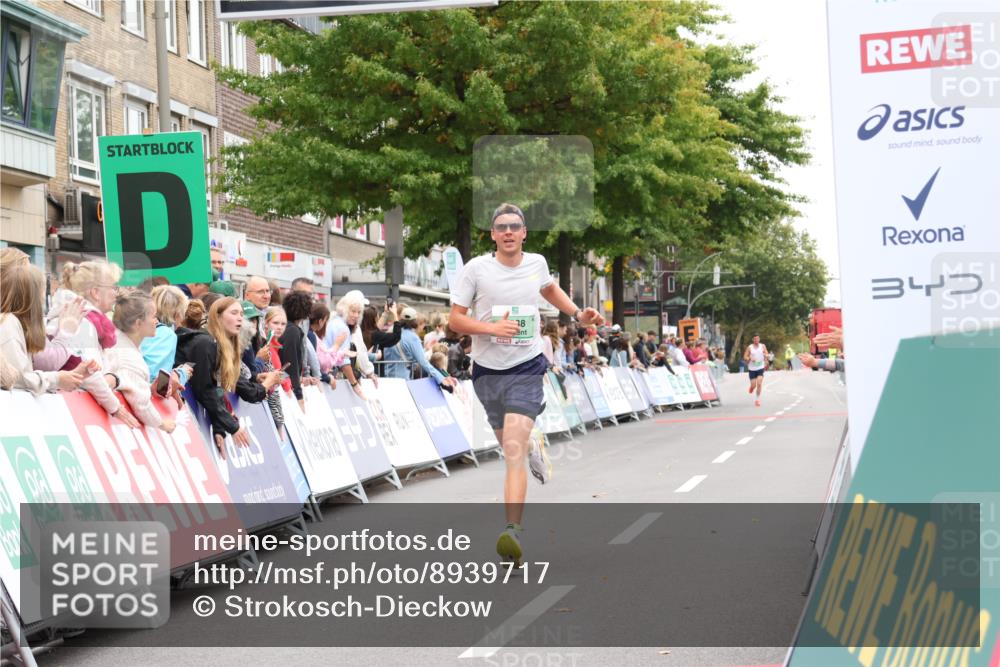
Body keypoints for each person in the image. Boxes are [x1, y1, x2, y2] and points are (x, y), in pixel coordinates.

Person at [448, 203, 602, 566]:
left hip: (527, 366)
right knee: (512, 447)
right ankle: (533, 442)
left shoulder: (537, 263)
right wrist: (491, 329)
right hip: (487, 370)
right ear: (492, 234)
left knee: (512, 454)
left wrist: (578, 313)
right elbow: (455, 320)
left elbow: (549, 290)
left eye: (514, 226)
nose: (508, 232)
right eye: (501, 227)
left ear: (524, 232)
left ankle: (511, 532)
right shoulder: (476, 270)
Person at [175, 297, 273, 454]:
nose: (240, 317)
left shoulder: (221, 346)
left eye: (241, 314)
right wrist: (232, 426)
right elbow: (205, 390)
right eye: (234, 313)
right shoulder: (205, 343)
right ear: (217, 317)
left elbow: (218, 388)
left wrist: (219, 427)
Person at [51, 261, 141, 428]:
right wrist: (115, 407)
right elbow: (91, 372)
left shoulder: (84, 319)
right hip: (70, 413)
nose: (117, 293)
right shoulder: (83, 322)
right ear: (95, 293)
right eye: (113, 287)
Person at [1, 264, 93, 395]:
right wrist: (57, 379)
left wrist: (71, 376)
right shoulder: (8, 323)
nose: (44, 298)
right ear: (32, 296)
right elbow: (17, 378)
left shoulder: (14, 323)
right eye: (43, 291)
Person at [107, 292, 175, 432]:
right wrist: (163, 424)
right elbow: (141, 404)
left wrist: (149, 388)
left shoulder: (119, 343)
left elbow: (129, 384)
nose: (156, 321)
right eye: (153, 316)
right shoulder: (129, 358)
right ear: (138, 323)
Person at [397, 307, 455, 386]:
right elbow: (423, 362)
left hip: (388, 377)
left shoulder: (390, 333)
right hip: (405, 378)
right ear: (415, 321)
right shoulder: (413, 337)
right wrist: (441, 378)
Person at [141, 285, 189, 381]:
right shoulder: (166, 334)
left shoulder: (140, 326)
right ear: (177, 312)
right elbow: (156, 381)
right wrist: (181, 375)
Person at [278, 290, 315, 410]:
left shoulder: (288, 328)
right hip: (286, 387)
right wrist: (298, 395)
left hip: (283, 384)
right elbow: (291, 364)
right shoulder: (292, 331)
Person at [361, 303, 402, 377]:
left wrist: (386, 313)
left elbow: (376, 328)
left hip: (362, 373)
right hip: (375, 374)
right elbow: (396, 336)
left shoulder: (359, 332)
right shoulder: (376, 335)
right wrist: (395, 315)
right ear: (375, 318)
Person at [744, 334, 768, 407]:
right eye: (755, 339)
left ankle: (757, 400)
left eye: (757, 339)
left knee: (759, 383)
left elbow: (766, 353)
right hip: (752, 368)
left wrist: (766, 355)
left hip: (760, 367)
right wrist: (750, 359)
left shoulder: (762, 346)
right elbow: (745, 356)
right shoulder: (750, 347)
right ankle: (752, 388)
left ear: (759, 339)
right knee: (753, 385)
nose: (756, 340)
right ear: (753, 340)